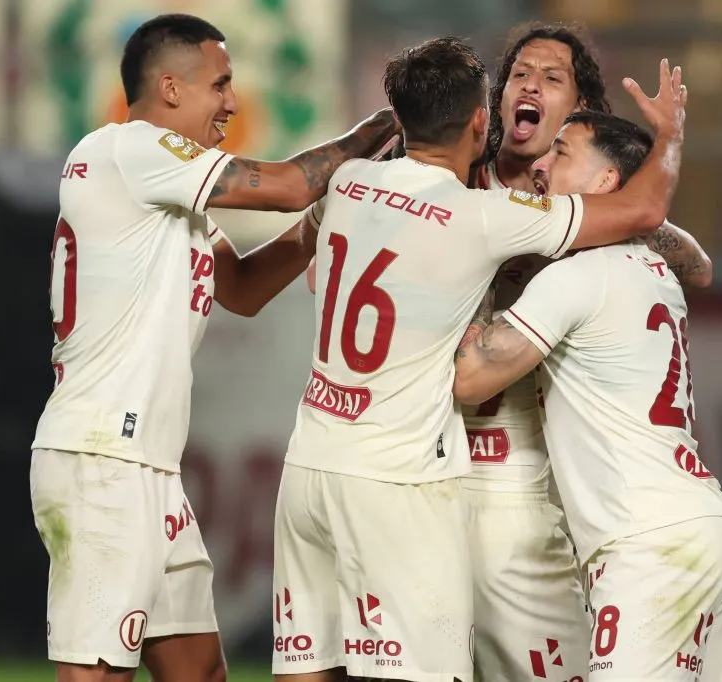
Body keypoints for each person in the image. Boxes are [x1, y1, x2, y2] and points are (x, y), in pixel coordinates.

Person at [271, 36, 687, 682]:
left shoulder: (360, 183)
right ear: (483, 116)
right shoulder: (486, 207)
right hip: (416, 474)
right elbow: (651, 216)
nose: (528, 85)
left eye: (551, 78)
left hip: (484, 486)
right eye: (517, 73)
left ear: (580, 114)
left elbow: (692, 258)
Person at [28, 13, 398, 682]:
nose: (233, 101)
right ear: (170, 87)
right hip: (103, 459)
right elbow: (287, 183)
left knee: (198, 671)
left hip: (146, 468)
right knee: (97, 673)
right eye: (221, 84)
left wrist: (322, 220)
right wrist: (374, 133)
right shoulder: (128, 149)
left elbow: (245, 289)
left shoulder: (171, 197)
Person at [452, 110, 722, 682]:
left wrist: (473, 265)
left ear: (606, 183)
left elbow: (470, 378)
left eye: (560, 153)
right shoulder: (654, 267)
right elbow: (693, 261)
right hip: (709, 532)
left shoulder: (577, 277)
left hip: (648, 549)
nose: (539, 164)